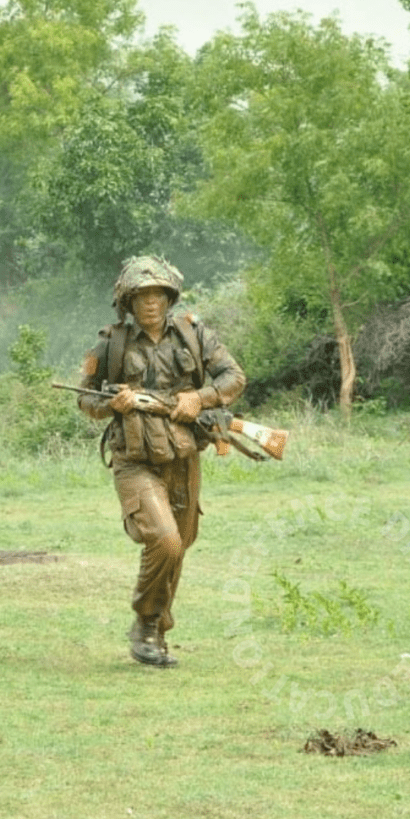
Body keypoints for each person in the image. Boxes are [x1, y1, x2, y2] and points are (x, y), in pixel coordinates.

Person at [77, 256, 246, 667]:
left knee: (178, 547)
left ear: (169, 297)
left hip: (184, 457)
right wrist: (111, 405)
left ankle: (155, 626)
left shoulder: (195, 334)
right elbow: (84, 396)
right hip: (134, 459)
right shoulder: (110, 342)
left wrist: (199, 398)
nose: (150, 303)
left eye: (158, 294)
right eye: (142, 296)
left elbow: (234, 378)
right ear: (127, 301)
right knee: (165, 540)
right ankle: (146, 623)